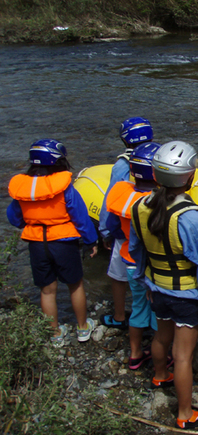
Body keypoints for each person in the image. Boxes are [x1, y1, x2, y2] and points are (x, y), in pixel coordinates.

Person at [129, 141, 198, 430]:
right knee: (183, 356)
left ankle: (158, 374)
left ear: (155, 174)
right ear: (189, 178)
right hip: (186, 295)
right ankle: (184, 413)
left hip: (156, 287)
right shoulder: (192, 219)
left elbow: (135, 248)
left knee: (162, 336)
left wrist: (146, 280)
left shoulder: (139, 206)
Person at [7, 139, 98, 346]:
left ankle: (55, 333)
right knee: (75, 286)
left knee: (47, 290)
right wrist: (90, 240)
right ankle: (83, 328)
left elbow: (14, 218)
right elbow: (80, 217)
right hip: (64, 242)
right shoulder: (64, 187)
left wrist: (30, 222)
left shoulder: (24, 189)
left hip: (37, 244)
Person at [105, 142, 160, 369]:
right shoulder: (162, 202)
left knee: (138, 307)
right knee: (159, 312)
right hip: (156, 266)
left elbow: (112, 226)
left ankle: (135, 353)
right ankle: (161, 357)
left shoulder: (123, 196)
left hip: (130, 262)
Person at [100, 117, 154, 329]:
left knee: (118, 275)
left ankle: (120, 316)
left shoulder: (122, 165)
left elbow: (110, 202)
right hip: (150, 232)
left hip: (125, 231)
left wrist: (105, 231)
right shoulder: (156, 156)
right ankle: (152, 319)